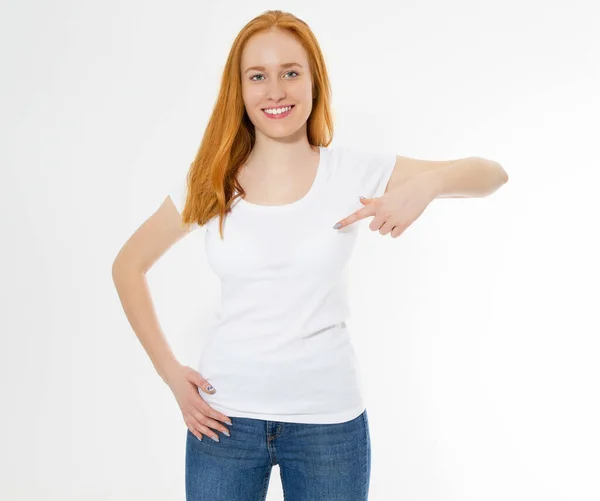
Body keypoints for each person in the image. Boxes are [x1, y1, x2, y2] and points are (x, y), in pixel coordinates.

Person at [112, 9, 508, 501]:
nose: (275, 91)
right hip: (223, 422)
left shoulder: (352, 171)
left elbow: (492, 175)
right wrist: (171, 375)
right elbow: (128, 266)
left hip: (328, 427)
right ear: (240, 89)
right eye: (258, 76)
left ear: (314, 81)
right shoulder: (210, 181)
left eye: (290, 73)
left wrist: (430, 183)